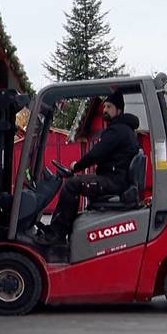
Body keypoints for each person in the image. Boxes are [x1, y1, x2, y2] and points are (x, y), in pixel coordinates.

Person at [39, 90, 140, 245]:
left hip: (113, 181)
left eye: (109, 107)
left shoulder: (117, 130)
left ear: (119, 110)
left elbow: (95, 154)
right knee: (75, 183)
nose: (105, 110)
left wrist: (76, 166)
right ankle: (61, 230)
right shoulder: (124, 130)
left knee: (71, 185)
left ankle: (57, 234)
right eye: (105, 106)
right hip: (116, 179)